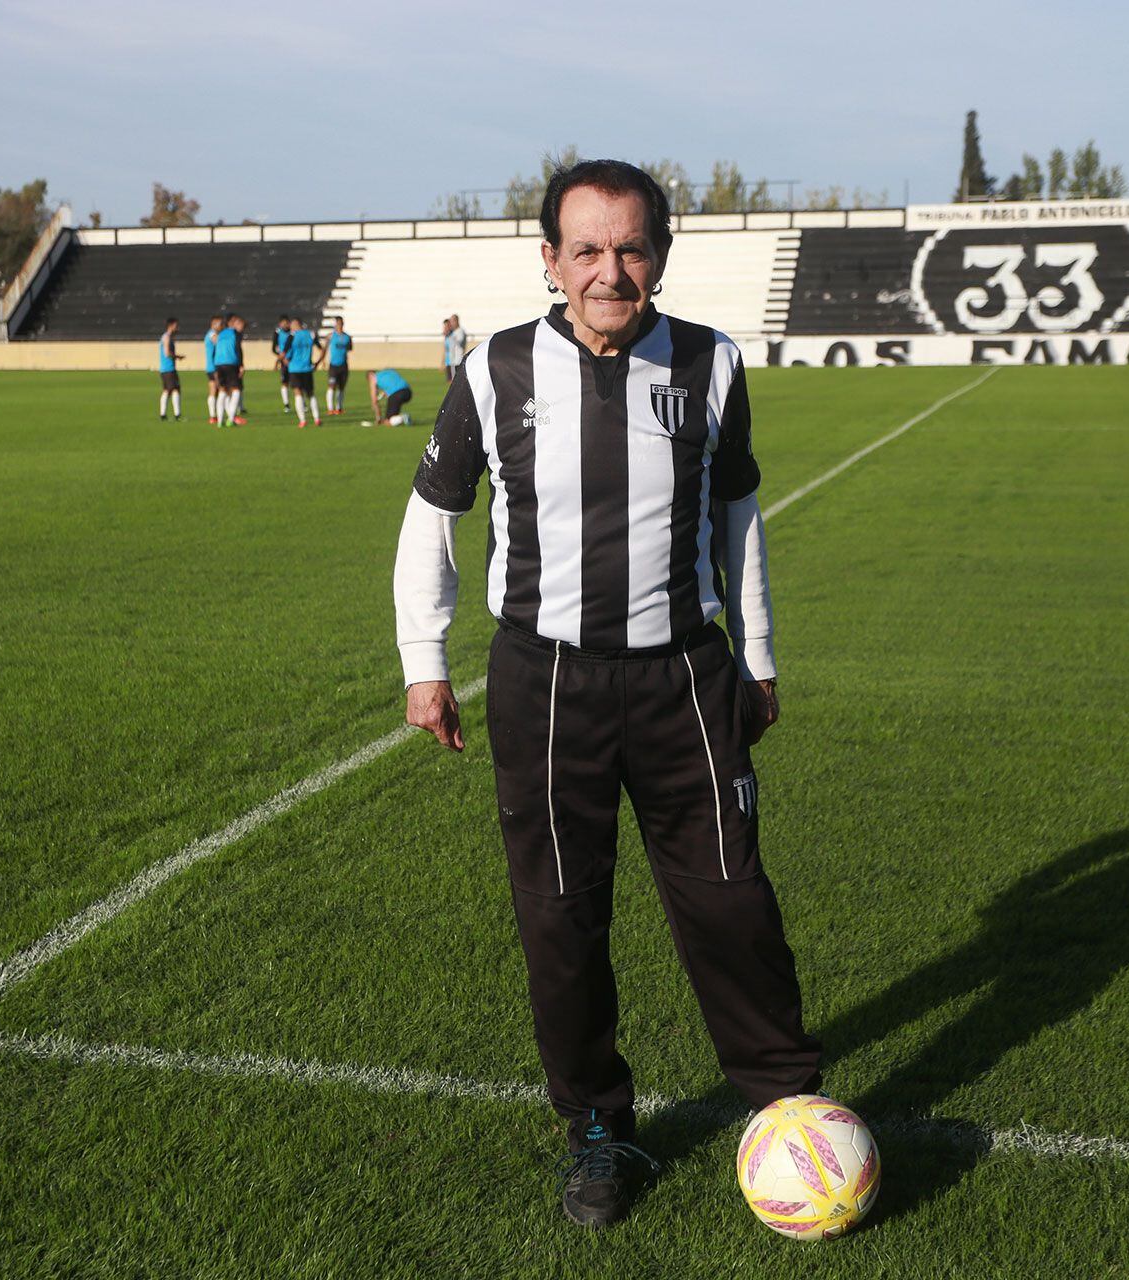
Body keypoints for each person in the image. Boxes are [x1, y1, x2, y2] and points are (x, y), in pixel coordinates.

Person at [392, 159, 820, 1229]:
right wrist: (424, 658)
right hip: (546, 684)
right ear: (550, 260)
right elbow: (430, 517)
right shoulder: (496, 369)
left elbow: (741, 517)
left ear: (661, 257)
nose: (609, 270)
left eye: (631, 248)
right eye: (587, 248)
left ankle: (787, 1106)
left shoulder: (712, 363)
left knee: (730, 896)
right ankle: (597, 1126)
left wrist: (755, 652)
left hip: (682, 675)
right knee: (562, 918)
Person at [212, 313, 247, 427]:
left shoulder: (220, 334)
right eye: (237, 322)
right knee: (236, 390)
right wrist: (241, 365)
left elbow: (215, 349)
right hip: (231, 363)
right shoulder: (235, 333)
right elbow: (238, 348)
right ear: (232, 322)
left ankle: (220, 421)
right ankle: (231, 419)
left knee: (223, 391)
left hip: (218, 363)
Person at [286, 316, 321, 427]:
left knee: (298, 393)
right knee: (310, 394)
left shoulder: (292, 336)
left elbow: (284, 353)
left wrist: (284, 361)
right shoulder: (311, 334)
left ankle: (302, 420)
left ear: (296, 324)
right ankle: (317, 419)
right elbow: (322, 349)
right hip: (307, 368)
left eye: (292, 325)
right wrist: (318, 363)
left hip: (295, 369)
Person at [323, 317, 353, 415]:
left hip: (343, 365)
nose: (339, 325)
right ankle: (330, 408)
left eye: (341, 323)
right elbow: (325, 348)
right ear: (335, 324)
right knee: (331, 386)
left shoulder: (347, 337)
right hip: (333, 365)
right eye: (338, 323)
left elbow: (350, 348)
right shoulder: (330, 336)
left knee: (341, 387)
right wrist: (323, 360)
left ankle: (339, 408)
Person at [157, 317, 183, 420]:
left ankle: (163, 414)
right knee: (175, 390)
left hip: (165, 369)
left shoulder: (166, 337)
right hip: (168, 369)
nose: (177, 328)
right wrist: (177, 357)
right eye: (176, 326)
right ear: (171, 326)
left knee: (167, 391)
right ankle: (177, 415)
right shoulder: (167, 337)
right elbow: (167, 353)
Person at [202, 314, 224, 424]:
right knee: (217, 390)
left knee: (216, 390)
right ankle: (214, 416)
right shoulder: (212, 334)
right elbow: (217, 341)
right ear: (213, 324)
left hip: (212, 366)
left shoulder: (212, 334)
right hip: (213, 367)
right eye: (220, 324)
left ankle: (214, 415)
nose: (222, 326)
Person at [272, 315, 293, 412]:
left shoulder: (293, 333)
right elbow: (274, 348)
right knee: (284, 383)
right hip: (284, 361)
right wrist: (281, 358)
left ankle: (303, 403)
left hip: (294, 361)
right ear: (280, 324)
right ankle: (286, 404)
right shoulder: (277, 333)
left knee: (296, 383)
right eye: (283, 323)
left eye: (286, 323)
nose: (285, 325)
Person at [444, 314, 468, 382]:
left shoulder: (460, 331)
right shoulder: (453, 332)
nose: (451, 323)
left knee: (456, 381)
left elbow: (459, 342)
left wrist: (451, 336)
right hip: (452, 361)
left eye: (452, 321)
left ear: (456, 321)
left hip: (458, 360)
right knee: (451, 381)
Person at [440, 316, 456, 383]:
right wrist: (442, 363)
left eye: (446, 326)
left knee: (453, 382)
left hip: (453, 362)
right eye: (444, 327)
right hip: (448, 362)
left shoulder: (454, 335)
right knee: (449, 381)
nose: (445, 328)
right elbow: (445, 350)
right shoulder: (447, 337)